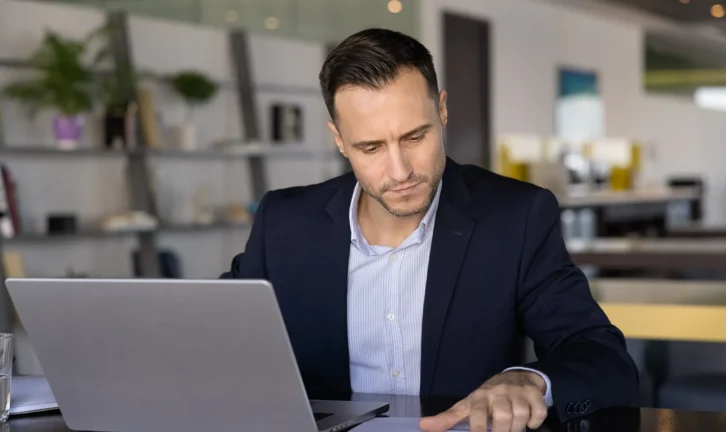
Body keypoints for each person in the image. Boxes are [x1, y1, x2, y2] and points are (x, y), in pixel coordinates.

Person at [222, 28, 639, 432]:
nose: (400, 171)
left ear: (441, 110)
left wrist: (529, 381)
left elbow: (600, 355)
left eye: (415, 136)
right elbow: (216, 340)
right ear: (339, 139)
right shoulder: (284, 223)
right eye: (370, 148)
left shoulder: (517, 216)